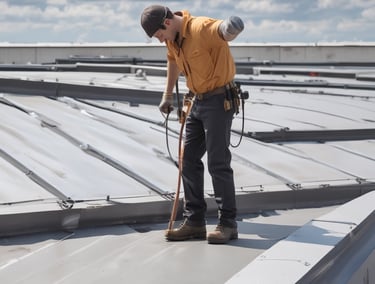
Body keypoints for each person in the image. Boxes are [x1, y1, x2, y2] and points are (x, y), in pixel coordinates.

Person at [140, 5, 244, 244]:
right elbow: (172, 61)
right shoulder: (173, 40)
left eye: (159, 35)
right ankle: (195, 222)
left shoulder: (201, 27)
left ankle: (228, 224)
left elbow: (223, 31)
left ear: (167, 23)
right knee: (188, 160)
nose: (160, 41)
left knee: (218, 162)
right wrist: (167, 95)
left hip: (219, 101)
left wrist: (231, 28)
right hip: (196, 101)